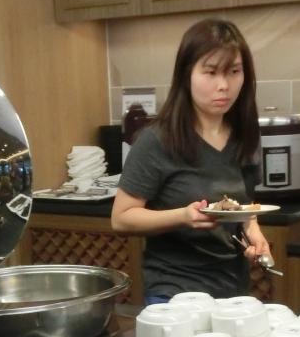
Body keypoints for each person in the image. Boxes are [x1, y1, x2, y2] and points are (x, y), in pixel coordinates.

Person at [111, 18, 271, 304]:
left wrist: (254, 234)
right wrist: (182, 216)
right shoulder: (157, 140)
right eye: (211, 72)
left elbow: (244, 206)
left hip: (232, 290)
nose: (224, 85)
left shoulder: (245, 135)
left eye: (234, 71)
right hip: (174, 292)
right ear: (187, 74)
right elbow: (121, 218)